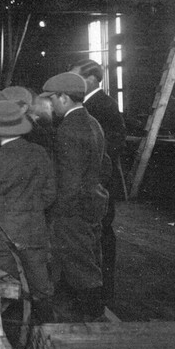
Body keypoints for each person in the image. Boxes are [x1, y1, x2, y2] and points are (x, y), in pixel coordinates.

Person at [0, 100, 56, 318]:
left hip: (1, 237)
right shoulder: (40, 153)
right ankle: (46, 336)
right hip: (34, 232)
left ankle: (10, 335)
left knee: (4, 290)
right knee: (40, 289)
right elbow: (49, 194)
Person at [42, 72, 110, 319]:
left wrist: (57, 212)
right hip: (92, 202)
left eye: (52, 99)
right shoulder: (92, 123)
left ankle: (92, 319)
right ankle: (90, 313)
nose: (50, 105)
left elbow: (69, 181)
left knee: (81, 266)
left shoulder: (68, 130)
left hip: (73, 210)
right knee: (88, 259)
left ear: (63, 98)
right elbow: (105, 166)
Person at [70, 59, 126, 306]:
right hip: (90, 182)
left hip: (99, 183)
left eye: (75, 77)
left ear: (91, 79)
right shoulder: (87, 104)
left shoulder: (104, 105)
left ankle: (105, 292)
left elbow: (113, 145)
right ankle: (93, 290)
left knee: (102, 234)